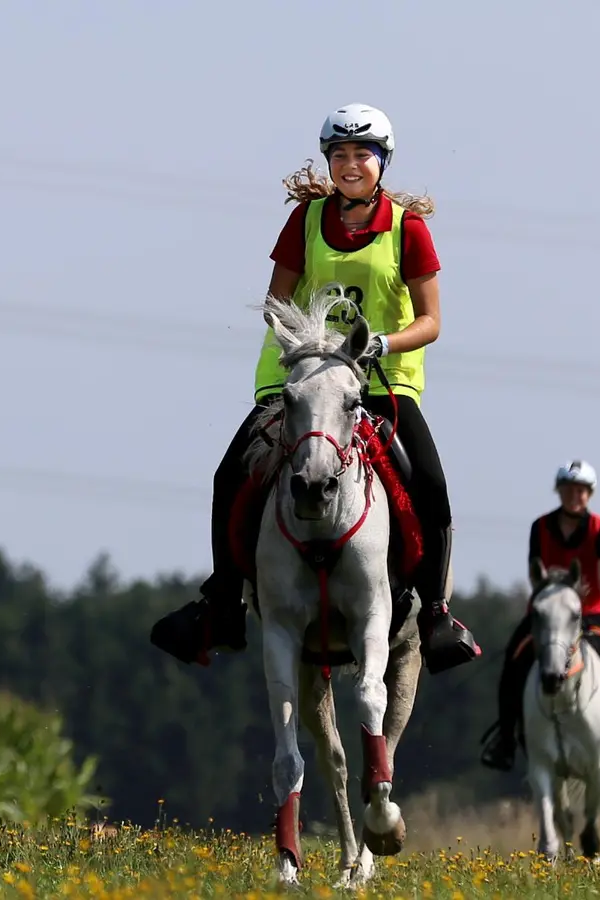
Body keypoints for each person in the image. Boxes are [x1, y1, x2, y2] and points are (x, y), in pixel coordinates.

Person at [149, 103, 478, 675]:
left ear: (382, 163)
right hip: (298, 380)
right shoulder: (305, 220)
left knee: (430, 481)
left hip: (381, 382)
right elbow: (278, 302)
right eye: (340, 155)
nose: (350, 165)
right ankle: (223, 604)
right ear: (329, 161)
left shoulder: (409, 228)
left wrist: (380, 344)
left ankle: (435, 614)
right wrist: (305, 352)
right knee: (230, 476)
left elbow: (432, 322)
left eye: (362, 156)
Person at [479, 460, 600, 771]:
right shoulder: (540, 527)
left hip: (591, 612)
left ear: (589, 494)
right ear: (558, 492)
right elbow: (536, 572)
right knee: (514, 660)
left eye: (580, 490)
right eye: (568, 490)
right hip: (549, 610)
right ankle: (506, 737)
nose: (574, 496)